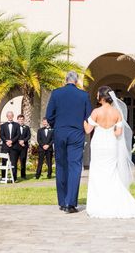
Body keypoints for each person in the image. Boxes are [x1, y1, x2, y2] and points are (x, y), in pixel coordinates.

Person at [84, 86, 135, 218]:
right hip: (111, 145)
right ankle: (114, 202)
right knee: (112, 172)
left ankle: (98, 204)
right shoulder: (117, 113)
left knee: (98, 172)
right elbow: (118, 133)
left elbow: (88, 130)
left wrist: (84, 121)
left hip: (99, 145)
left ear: (101, 97)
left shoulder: (96, 111)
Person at [46, 71, 92, 214]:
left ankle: (62, 201)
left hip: (60, 131)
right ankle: (70, 203)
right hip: (77, 132)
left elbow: (49, 116)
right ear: (76, 81)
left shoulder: (56, 93)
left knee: (61, 166)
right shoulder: (83, 95)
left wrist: (58, 125)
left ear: (65, 80)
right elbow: (88, 116)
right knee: (74, 166)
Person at [0, 111, 20, 181]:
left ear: (13, 116)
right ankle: (3, 177)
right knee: (4, 162)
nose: (10, 117)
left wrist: (12, 141)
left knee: (14, 162)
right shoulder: (3, 125)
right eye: (9, 115)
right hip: (5, 146)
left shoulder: (17, 125)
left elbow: (18, 135)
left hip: (14, 147)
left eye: (11, 115)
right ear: (7, 116)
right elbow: (1, 135)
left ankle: (14, 178)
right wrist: (6, 141)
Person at [16, 114, 31, 180]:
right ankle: (14, 175)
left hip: (24, 146)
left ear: (24, 120)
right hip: (16, 146)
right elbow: (13, 135)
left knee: (23, 160)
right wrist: (19, 141)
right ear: (17, 120)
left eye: (22, 119)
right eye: (19, 119)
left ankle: (23, 175)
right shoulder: (15, 127)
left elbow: (28, 136)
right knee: (15, 161)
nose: (21, 121)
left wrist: (23, 141)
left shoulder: (27, 127)